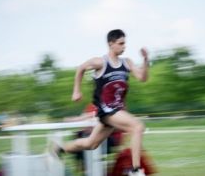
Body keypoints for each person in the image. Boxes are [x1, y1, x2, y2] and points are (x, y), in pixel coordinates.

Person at [52, 29, 149, 176]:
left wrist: (146, 60)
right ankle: (135, 170)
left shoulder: (127, 63)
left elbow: (142, 78)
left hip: (117, 111)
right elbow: (81, 68)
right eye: (121, 43)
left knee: (91, 144)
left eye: (125, 44)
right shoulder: (100, 62)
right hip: (107, 110)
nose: (124, 47)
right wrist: (76, 90)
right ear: (111, 44)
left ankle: (60, 149)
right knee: (137, 126)